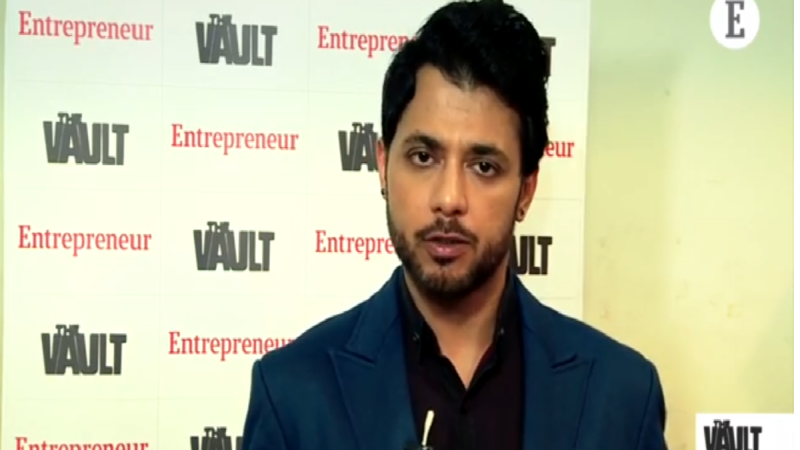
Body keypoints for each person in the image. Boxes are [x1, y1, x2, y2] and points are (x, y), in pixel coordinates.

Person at [242, 1, 668, 449]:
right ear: (383, 165)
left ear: (526, 190)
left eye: (484, 166)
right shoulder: (293, 393)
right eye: (423, 157)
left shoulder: (620, 396)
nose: (449, 199)